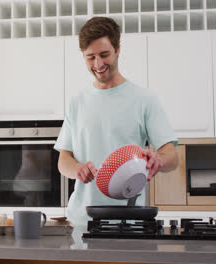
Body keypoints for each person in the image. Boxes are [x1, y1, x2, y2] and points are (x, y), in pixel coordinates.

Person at [54, 17, 179, 225]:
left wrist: (159, 159)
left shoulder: (144, 99)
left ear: (118, 49)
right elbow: (63, 160)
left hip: (129, 221)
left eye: (104, 55)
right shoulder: (77, 102)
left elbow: (172, 156)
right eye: (90, 57)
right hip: (82, 220)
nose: (98, 64)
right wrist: (77, 169)